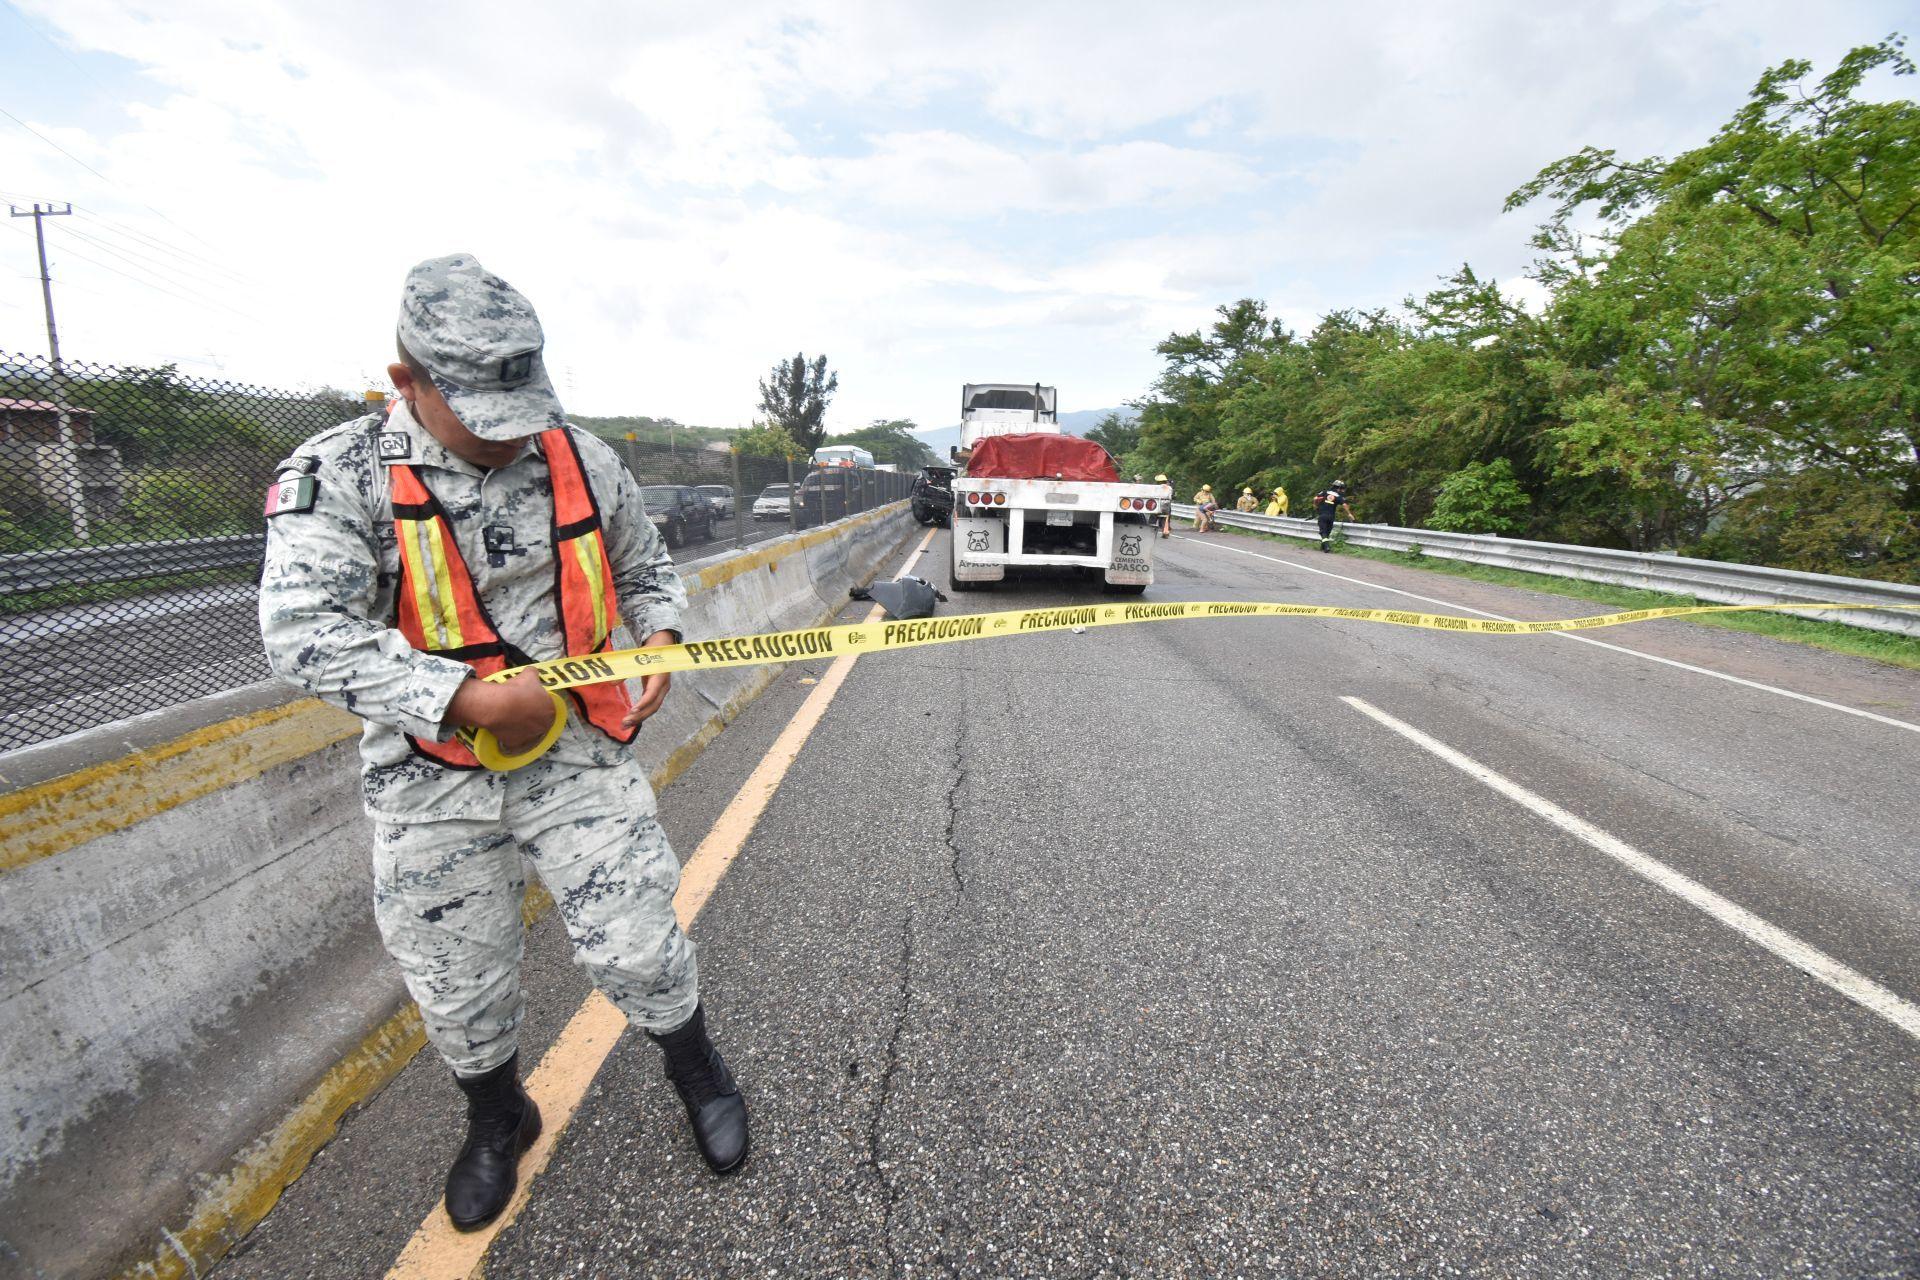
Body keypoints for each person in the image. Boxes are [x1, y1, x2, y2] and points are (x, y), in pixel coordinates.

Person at [258, 255, 749, 1232]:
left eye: (522, 402)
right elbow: (301, 631)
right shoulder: (341, 473)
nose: (511, 433)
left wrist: (657, 634)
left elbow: (647, 565)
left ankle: (698, 1067)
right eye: (484, 411)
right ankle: (496, 1117)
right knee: (455, 976)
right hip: (429, 776)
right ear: (408, 384)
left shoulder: (582, 456)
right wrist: (465, 698)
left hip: (576, 756)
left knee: (639, 939)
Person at [1311, 480, 1356, 551]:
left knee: (1323, 532)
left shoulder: (1324, 492)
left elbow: (1315, 498)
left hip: (1322, 515)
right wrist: (1349, 514)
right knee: (1327, 532)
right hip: (1331, 517)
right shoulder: (1339, 496)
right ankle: (1323, 547)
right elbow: (1344, 505)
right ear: (1339, 488)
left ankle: (1326, 547)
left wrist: (1315, 505)